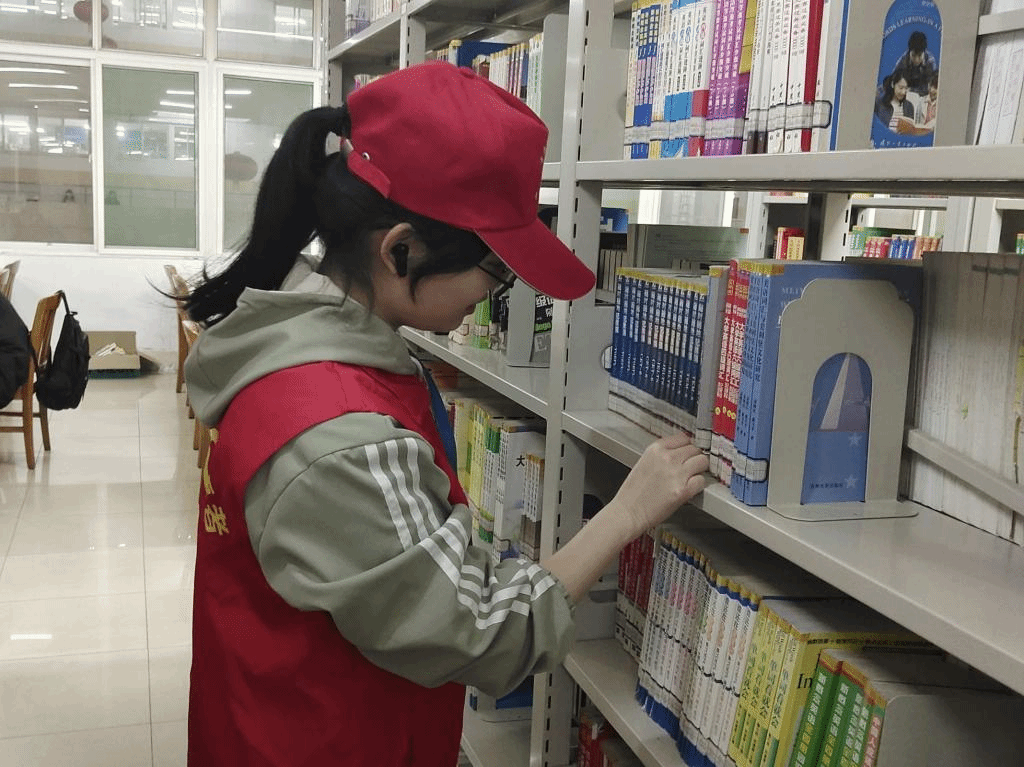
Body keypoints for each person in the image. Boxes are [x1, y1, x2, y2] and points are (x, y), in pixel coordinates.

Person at [181, 61, 709, 767]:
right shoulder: (339, 438)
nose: (495, 295)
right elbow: (486, 635)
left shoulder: (313, 354)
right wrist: (626, 512)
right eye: (496, 270)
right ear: (400, 250)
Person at [890, 30, 937, 98]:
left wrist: (911, 90)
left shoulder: (930, 62)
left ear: (924, 52)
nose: (916, 60)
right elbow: (892, 80)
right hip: (905, 93)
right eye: (913, 55)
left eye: (920, 55)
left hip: (923, 96)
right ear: (909, 52)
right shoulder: (903, 60)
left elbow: (931, 87)